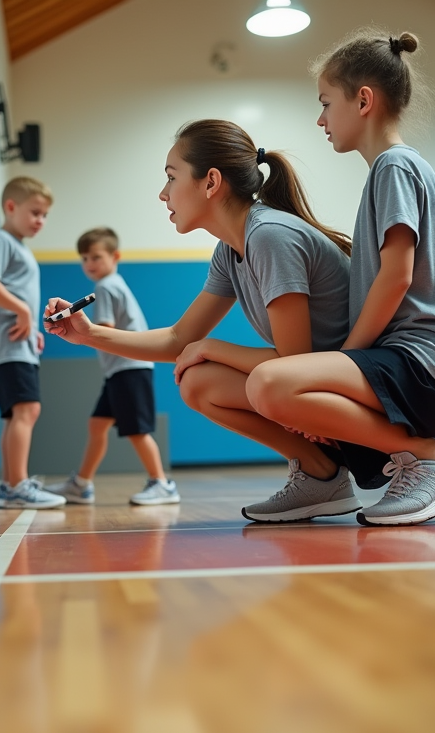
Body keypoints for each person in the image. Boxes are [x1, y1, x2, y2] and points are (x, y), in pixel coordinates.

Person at [44, 119, 387, 521]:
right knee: (197, 382)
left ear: (210, 182)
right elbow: (176, 339)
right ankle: (321, 474)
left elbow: (295, 366)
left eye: (171, 178)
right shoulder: (230, 249)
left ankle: (411, 454)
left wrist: (210, 347)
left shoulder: (269, 235)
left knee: (234, 372)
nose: (163, 193)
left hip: (368, 392)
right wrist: (88, 334)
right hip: (317, 388)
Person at [245, 30, 435, 526]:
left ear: (363, 101)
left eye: (325, 103)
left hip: (431, 362)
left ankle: (432, 460)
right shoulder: (391, 169)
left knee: (272, 383)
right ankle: (351, 472)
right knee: (278, 387)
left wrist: (346, 358)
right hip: (413, 362)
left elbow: (396, 276)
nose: (320, 119)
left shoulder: (394, 166)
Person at [45, 228, 181, 505]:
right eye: (84, 258)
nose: (89, 263)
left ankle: (162, 484)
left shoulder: (106, 286)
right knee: (97, 425)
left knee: (137, 429)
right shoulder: (114, 283)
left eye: (96, 256)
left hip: (128, 368)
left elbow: (103, 330)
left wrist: (73, 326)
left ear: (115, 256)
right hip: (120, 370)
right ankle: (81, 484)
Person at [0, 176, 66, 509]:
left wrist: (30, 324)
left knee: (17, 414)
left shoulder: (17, 246)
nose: (40, 221)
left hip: (17, 344)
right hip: (6, 345)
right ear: (11, 207)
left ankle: (11, 485)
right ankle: (17, 486)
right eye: (35, 212)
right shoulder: (1, 240)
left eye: (45, 215)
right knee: (27, 410)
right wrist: (22, 309)